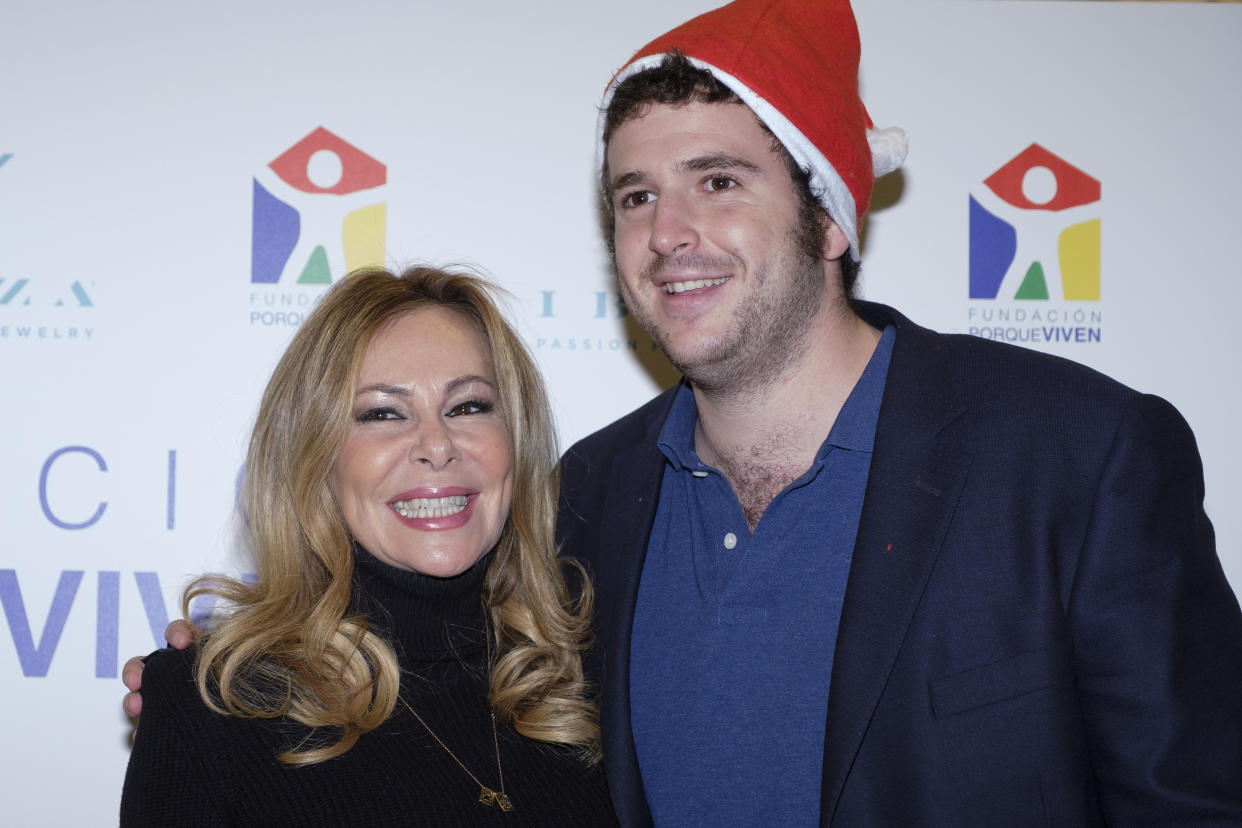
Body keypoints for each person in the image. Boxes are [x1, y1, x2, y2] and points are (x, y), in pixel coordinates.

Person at [127, 1, 1242, 825]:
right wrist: (225, 677)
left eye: (719, 181)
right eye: (635, 196)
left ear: (832, 217)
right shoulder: (589, 504)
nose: (669, 233)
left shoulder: (1077, 458)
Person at [121, 266, 617, 826]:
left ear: (517, 442)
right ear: (316, 460)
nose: (437, 445)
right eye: (382, 413)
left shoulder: (593, 683)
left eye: (469, 406)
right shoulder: (212, 709)